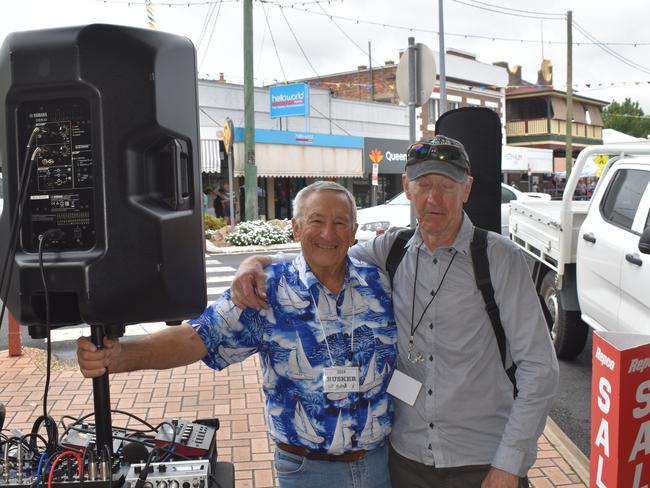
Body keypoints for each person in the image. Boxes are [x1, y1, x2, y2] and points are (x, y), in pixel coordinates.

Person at [231, 135, 559, 488]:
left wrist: (509, 464)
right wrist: (256, 263)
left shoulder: (499, 259)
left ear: (467, 189)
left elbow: (539, 369)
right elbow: (323, 255)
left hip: (480, 462)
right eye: (423, 184)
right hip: (405, 461)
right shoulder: (391, 251)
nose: (434, 198)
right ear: (407, 187)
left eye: (447, 185)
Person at [76, 181, 397, 488]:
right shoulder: (266, 288)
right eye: (316, 220)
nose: (329, 233)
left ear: (354, 232)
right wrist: (119, 356)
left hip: (377, 466)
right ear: (296, 228)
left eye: (341, 223)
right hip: (307, 470)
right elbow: (195, 338)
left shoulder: (381, 285)